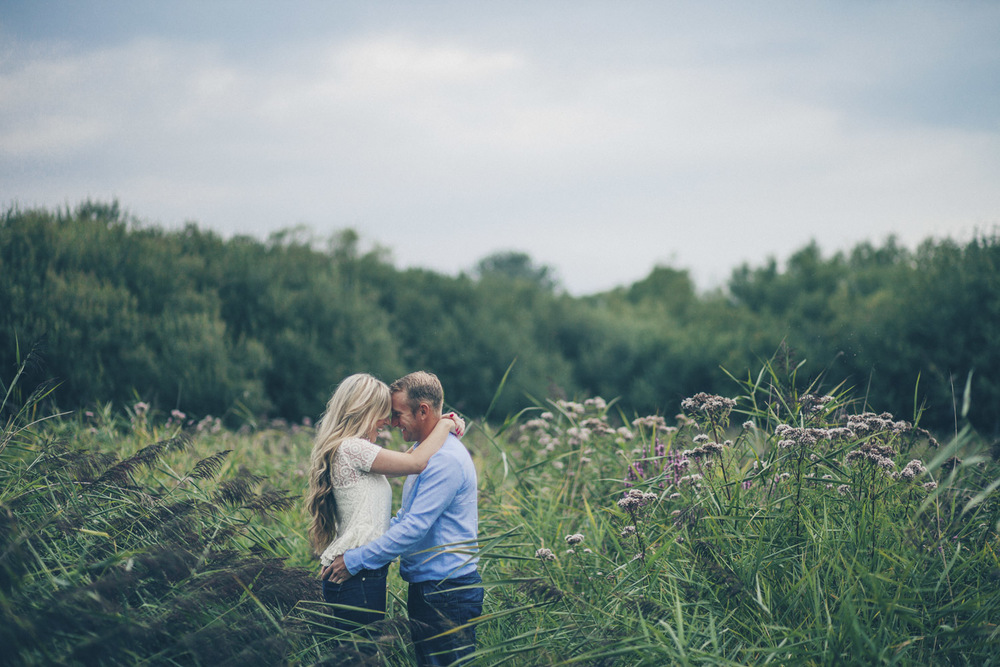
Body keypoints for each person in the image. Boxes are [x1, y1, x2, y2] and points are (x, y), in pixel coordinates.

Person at [325, 371, 482, 666]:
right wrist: (446, 423)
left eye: (397, 414)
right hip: (431, 589)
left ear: (422, 411)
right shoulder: (425, 453)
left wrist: (357, 559)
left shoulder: (443, 460)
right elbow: (405, 518)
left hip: (447, 590)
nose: (392, 423)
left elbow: (413, 527)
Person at [306, 373, 463, 633]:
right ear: (363, 411)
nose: (388, 422)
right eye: (383, 412)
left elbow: (409, 457)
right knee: (359, 653)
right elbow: (415, 463)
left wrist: (435, 428)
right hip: (356, 574)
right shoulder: (353, 448)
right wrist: (444, 426)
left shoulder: (351, 450)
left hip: (360, 573)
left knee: (357, 652)